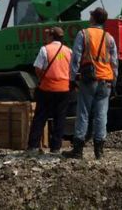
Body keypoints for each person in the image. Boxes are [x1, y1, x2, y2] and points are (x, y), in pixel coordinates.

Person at [64, 7, 118, 160]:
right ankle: (99, 151)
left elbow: (76, 57)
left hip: (89, 79)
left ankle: (78, 150)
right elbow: (114, 63)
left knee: (83, 113)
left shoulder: (84, 34)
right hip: (106, 79)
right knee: (101, 115)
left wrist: (72, 78)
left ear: (93, 18)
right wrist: (114, 82)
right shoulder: (109, 38)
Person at [27, 26, 71, 154]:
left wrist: (43, 78)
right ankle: (56, 147)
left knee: (40, 117)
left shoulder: (45, 49)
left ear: (52, 36)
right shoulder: (68, 51)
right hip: (64, 89)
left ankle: (33, 146)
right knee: (60, 118)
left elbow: (37, 68)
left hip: (47, 88)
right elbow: (72, 70)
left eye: (48, 35)